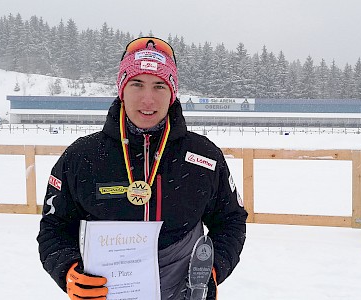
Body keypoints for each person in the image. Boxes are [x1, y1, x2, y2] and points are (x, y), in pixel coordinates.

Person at [37, 37, 247, 300]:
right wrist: (67, 270)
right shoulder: (82, 156)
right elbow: (54, 228)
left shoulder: (203, 156)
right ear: (121, 88)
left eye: (159, 86)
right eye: (137, 84)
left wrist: (212, 271)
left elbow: (231, 220)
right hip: (106, 294)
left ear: (172, 93)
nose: (148, 100)